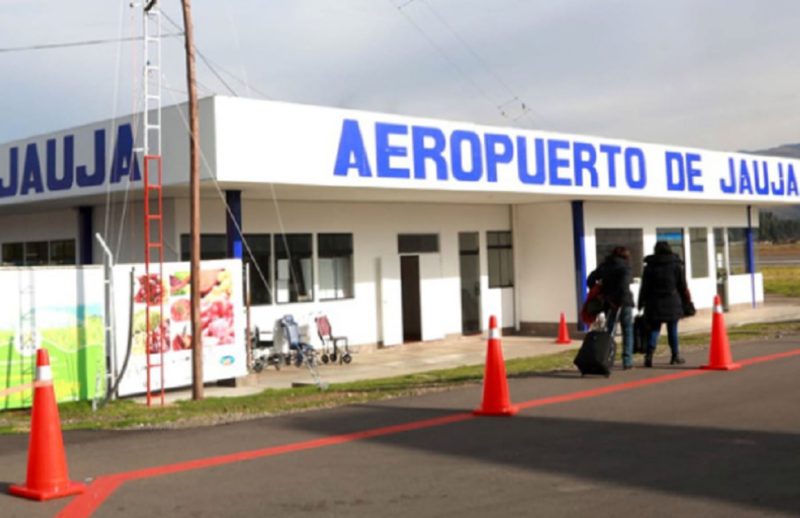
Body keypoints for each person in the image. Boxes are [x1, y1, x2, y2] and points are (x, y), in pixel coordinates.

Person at [638, 241, 689, 367]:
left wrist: (641, 302)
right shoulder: (676, 265)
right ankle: (675, 355)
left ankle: (649, 355)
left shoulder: (650, 266)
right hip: (672, 300)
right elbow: (682, 285)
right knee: (673, 329)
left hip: (654, 302)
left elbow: (644, 287)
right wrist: (686, 301)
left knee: (654, 329)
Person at [587, 246, 635, 369]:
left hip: (609, 301)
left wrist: (601, 292)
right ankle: (627, 360)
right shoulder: (625, 267)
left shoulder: (605, 266)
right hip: (623, 302)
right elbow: (624, 285)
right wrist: (619, 300)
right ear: (625, 256)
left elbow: (590, 280)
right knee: (627, 330)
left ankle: (606, 357)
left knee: (609, 331)